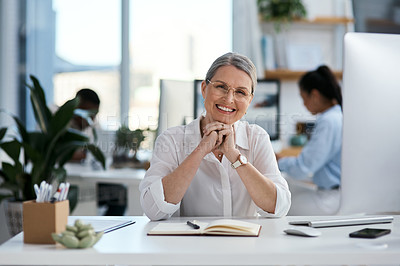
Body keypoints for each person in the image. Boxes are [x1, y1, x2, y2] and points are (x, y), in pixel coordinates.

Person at [139, 52, 291, 221]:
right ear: (204, 89)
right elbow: (153, 209)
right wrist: (200, 150)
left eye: (240, 92)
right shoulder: (172, 139)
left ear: (250, 101)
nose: (229, 98)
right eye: (221, 87)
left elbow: (278, 207)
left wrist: (233, 155)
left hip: (245, 245)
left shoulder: (257, 137)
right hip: (191, 244)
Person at [276, 65, 343, 215]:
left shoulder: (329, 121)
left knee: (277, 202)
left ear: (314, 95)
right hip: (335, 193)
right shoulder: (337, 115)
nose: (303, 104)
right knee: (287, 185)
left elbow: (303, 168)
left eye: (303, 98)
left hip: (331, 199)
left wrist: (279, 161)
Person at [70, 89, 127, 216]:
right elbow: (64, 155)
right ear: (77, 107)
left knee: (121, 192)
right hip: (72, 184)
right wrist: (87, 153)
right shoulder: (62, 125)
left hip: (90, 179)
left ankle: (107, 231)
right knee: (119, 194)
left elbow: (103, 148)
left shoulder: (93, 127)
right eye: (90, 114)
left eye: (95, 114)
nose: (92, 118)